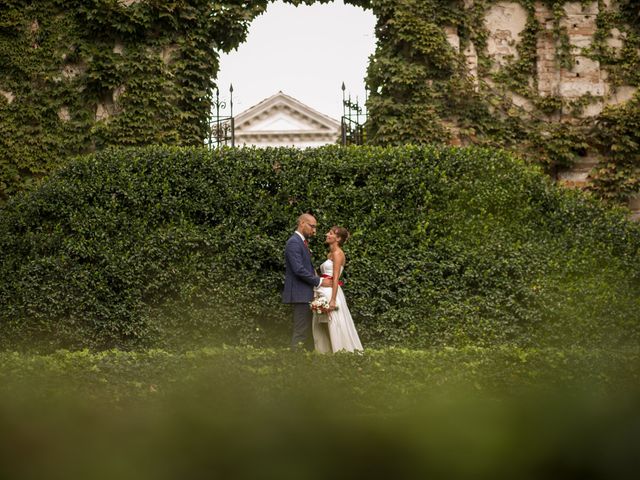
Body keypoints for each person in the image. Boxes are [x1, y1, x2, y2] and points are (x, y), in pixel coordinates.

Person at [283, 213, 332, 350]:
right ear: (302, 223)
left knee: (307, 331)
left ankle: (304, 362)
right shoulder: (294, 242)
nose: (314, 231)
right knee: (301, 331)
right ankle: (295, 363)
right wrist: (319, 281)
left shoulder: (302, 242)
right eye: (312, 226)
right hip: (300, 294)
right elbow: (298, 269)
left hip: (305, 293)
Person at [312, 226, 363, 353]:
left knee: (334, 324)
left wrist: (333, 300)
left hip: (331, 294)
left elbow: (335, 279)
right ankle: (326, 353)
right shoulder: (330, 254)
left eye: (330, 233)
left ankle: (341, 352)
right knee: (322, 324)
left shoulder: (338, 254)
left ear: (338, 238)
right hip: (323, 291)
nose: (327, 234)